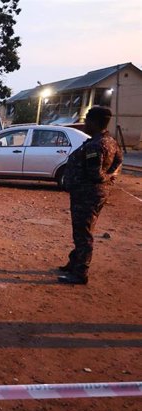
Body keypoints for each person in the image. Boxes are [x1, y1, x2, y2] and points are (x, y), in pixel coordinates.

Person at [58, 106, 123, 285]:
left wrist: (107, 178)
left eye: (87, 120)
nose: (85, 123)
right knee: (82, 229)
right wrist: (110, 178)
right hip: (91, 194)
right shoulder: (110, 141)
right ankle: (75, 262)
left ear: (94, 122)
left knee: (83, 232)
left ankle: (80, 272)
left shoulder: (96, 145)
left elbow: (95, 174)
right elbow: (118, 160)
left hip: (87, 194)